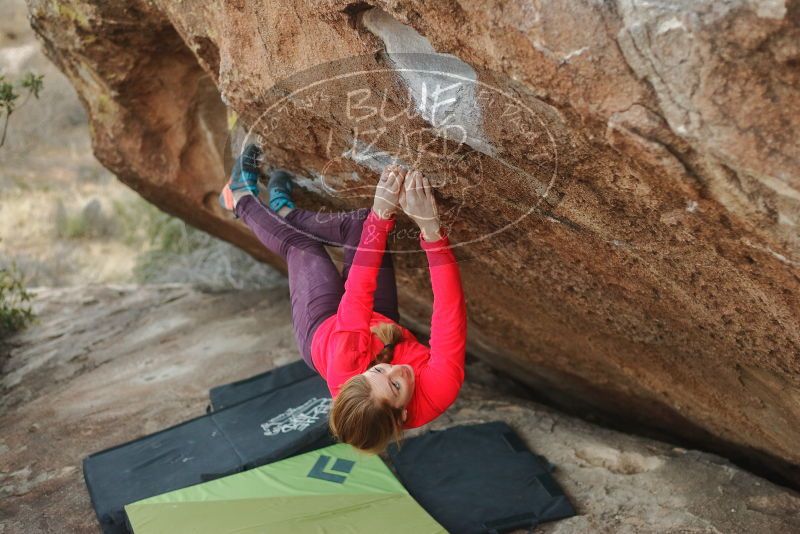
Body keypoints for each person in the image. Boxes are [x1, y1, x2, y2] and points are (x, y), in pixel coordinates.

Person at [219, 144, 467, 454]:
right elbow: (449, 314)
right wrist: (431, 230)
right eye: (395, 385)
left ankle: (238, 198)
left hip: (323, 329)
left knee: (303, 248)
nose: (395, 369)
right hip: (381, 327)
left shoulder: (346, 364)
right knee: (360, 225)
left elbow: (359, 293)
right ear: (403, 415)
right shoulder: (438, 391)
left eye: (380, 371)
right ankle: (284, 212)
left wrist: (381, 214)